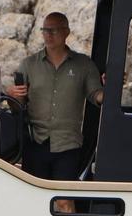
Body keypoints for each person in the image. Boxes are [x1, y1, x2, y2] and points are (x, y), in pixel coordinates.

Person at [7, 12, 103, 180]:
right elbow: (18, 108)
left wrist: (113, 86)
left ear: (67, 32)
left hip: (68, 144)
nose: (48, 35)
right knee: (35, 197)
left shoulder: (84, 65)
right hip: (35, 142)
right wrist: (12, 96)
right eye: (45, 30)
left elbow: (97, 96)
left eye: (54, 30)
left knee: (64, 199)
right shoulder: (28, 65)